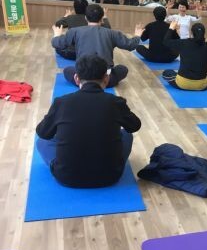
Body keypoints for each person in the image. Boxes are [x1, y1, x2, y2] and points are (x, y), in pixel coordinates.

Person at [35, 55, 141, 188]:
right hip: (110, 176)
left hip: (66, 177)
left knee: (42, 142)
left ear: (76, 78)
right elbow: (134, 126)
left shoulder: (61, 102)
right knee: (126, 135)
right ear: (106, 78)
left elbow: (43, 133)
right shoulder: (116, 102)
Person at [51, 4, 143, 87]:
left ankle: (83, 82)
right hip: (105, 78)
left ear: (86, 18)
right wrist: (137, 36)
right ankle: (103, 82)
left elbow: (57, 43)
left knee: (67, 70)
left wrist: (56, 35)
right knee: (123, 69)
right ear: (102, 18)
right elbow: (131, 45)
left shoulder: (75, 31)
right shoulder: (112, 33)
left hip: (83, 76)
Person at [162, 21, 207, 90]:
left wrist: (171, 28)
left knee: (166, 72)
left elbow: (165, 41)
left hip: (183, 84)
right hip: (201, 85)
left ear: (192, 33)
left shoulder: (183, 43)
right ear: (204, 33)